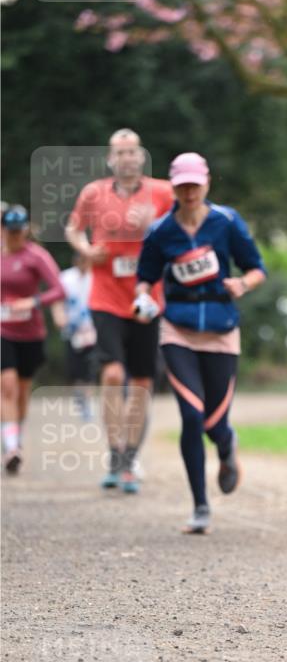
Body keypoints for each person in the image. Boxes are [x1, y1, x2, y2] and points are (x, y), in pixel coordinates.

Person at [135, 152, 266, 533]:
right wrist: (143, 298)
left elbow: (256, 268)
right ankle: (200, 507)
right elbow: (145, 277)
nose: (189, 191)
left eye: (195, 183)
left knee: (214, 423)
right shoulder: (160, 231)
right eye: (182, 185)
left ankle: (226, 448)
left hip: (222, 330)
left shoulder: (226, 222)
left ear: (206, 183)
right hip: (178, 330)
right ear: (174, 187)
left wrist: (242, 283)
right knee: (191, 417)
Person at [65, 128, 173, 492]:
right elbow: (73, 228)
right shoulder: (94, 192)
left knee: (142, 382)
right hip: (106, 298)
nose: (127, 157)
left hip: (146, 298)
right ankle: (114, 452)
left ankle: (128, 460)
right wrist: (85, 248)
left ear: (141, 156)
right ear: (111, 159)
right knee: (112, 375)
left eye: (132, 151)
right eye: (120, 152)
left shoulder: (162, 192)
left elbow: (183, 227)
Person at [1, 204, 65, 473]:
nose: (16, 236)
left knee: (23, 391)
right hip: (3, 331)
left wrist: (33, 301)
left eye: (20, 231)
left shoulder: (36, 256)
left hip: (31, 333)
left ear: (26, 229)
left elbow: (59, 289)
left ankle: (17, 436)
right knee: (7, 386)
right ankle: (12, 447)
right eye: (11, 231)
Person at [59, 253, 97, 419]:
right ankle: (79, 397)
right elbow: (58, 301)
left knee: (90, 369)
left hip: (92, 331)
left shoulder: (95, 277)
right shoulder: (65, 278)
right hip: (72, 331)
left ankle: (87, 402)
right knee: (76, 370)